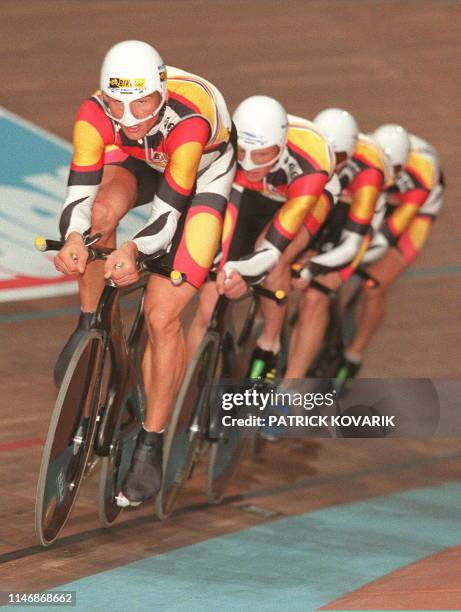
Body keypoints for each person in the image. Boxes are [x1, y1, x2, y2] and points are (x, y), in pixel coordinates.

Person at [53, 40, 237, 506]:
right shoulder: (94, 114)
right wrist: (76, 239)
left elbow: (169, 214)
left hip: (198, 183)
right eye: (118, 103)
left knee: (161, 315)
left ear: (162, 92)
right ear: (103, 96)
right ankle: (90, 322)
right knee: (98, 217)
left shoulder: (189, 119)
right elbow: (80, 188)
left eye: (143, 103)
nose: (131, 117)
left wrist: (135, 249)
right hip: (139, 164)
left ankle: (152, 442)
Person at [186, 95, 338, 375]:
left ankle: (270, 343)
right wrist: (222, 264)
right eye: (242, 152)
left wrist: (247, 272)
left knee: (276, 262)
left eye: (261, 155)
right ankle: (185, 393)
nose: (250, 164)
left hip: (302, 201)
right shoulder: (221, 144)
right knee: (207, 307)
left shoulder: (311, 159)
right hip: (247, 197)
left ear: (280, 147)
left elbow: (271, 249)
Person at [275, 110, 394, 380]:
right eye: (324, 151)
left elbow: (351, 244)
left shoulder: (368, 170)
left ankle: (289, 390)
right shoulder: (304, 150)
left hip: (354, 221)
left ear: (351, 153)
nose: (328, 161)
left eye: (337, 157)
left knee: (315, 297)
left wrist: (313, 266)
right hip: (319, 204)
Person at [335, 124, 445, 379]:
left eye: (393, 171)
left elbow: (387, 236)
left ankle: (354, 354)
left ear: (402, 166)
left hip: (414, 208)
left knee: (374, 283)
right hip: (375, 197)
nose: (388, 176)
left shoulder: (421, 176)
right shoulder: (360, 156)